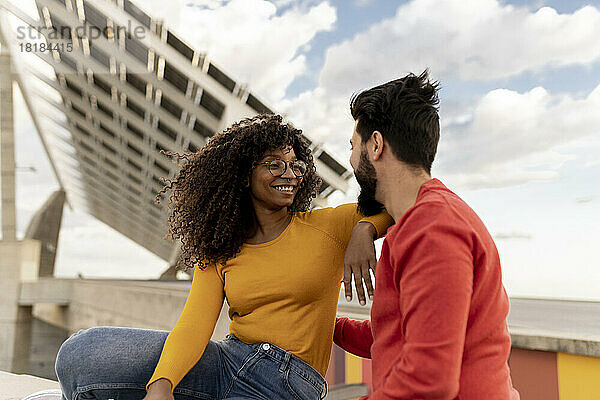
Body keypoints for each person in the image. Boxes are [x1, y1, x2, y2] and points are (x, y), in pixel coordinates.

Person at [53, 114, 393, 400]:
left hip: (291, 383)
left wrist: (365, 230)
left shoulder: (329, 225)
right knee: (80, 352)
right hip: (226, 362)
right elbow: (194, 325)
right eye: (274, 164)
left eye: (295, 165)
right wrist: (162, 384)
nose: (289, 174)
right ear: (243, 175)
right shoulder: (221, 251)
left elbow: (394, 204)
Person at [334, 71, 520, 399]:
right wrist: (328, 326)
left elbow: (428, 381)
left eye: (353, 146)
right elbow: (393, 334)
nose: (350, 160)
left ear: (375, 145)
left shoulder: (433, 228)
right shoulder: (419, 221)